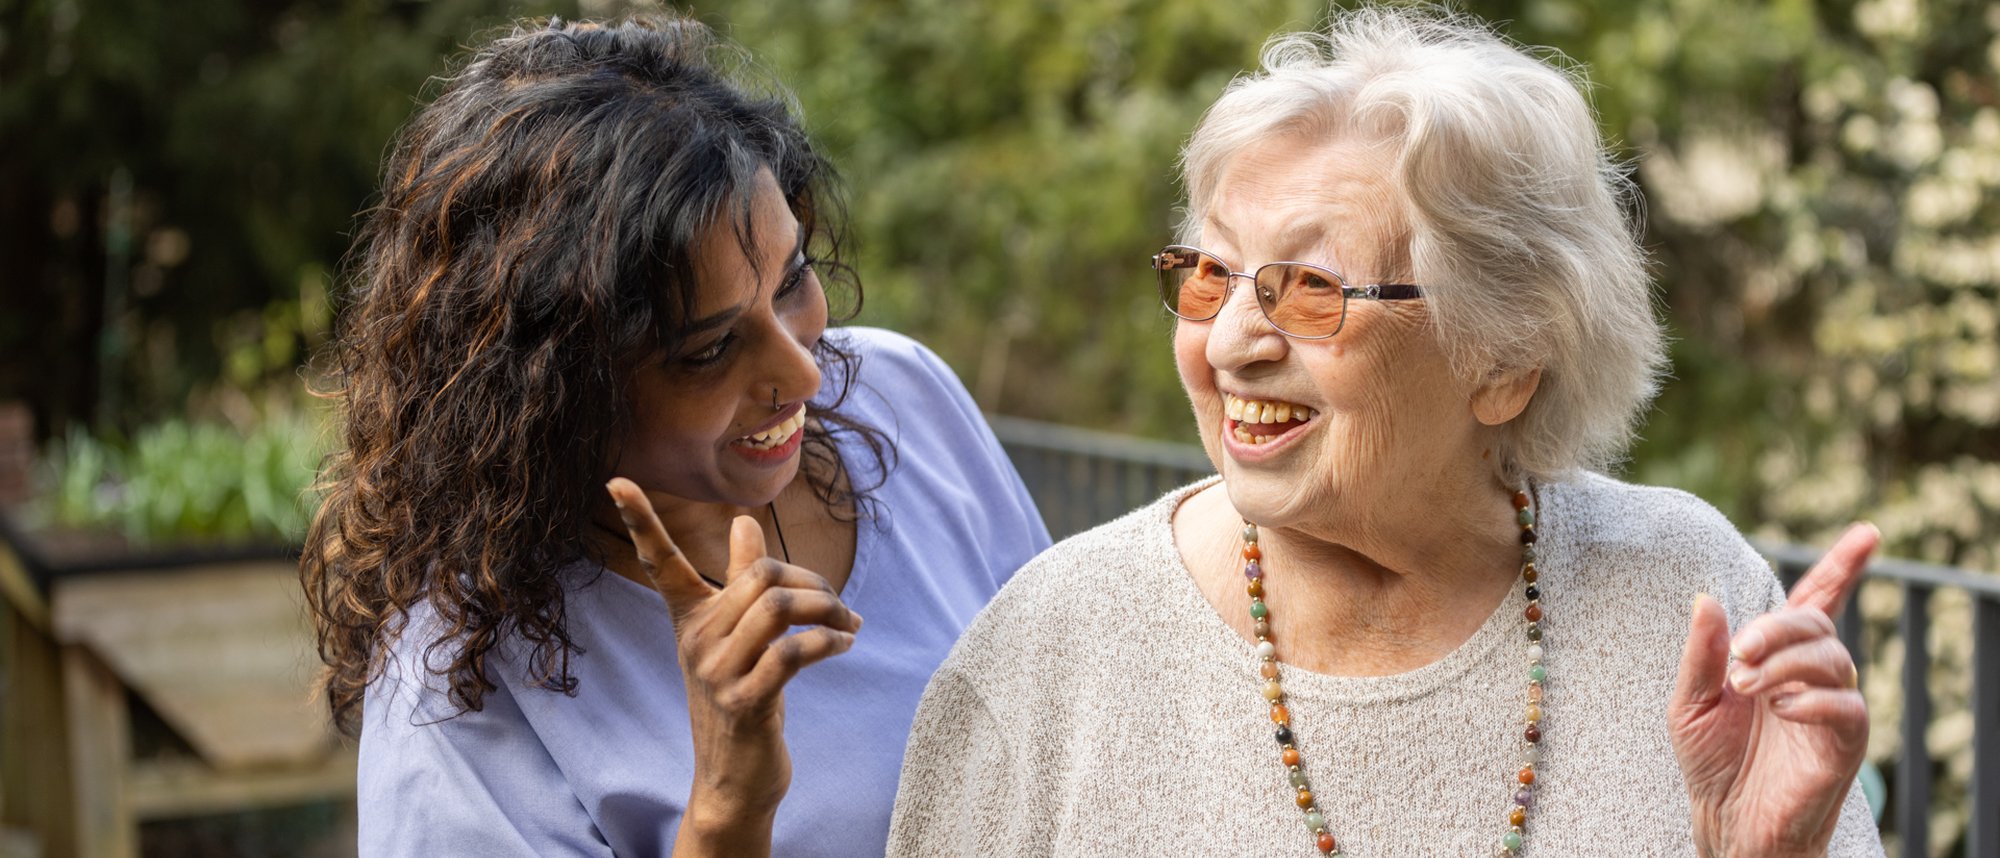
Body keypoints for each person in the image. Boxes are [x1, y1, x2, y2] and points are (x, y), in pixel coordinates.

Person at [888, 8, 1883, 856]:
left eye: (1311, 289)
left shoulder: (1687, 598)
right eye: (1206, 274)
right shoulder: (1056, 646)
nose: (1229, 342)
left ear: (1503, 361)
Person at [298, 15, 1049, 857]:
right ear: (558, 395)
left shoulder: (902, 396)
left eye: (793, 278)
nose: (804, 375)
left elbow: (1076, 715)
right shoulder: (459, 679)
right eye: (711, 348)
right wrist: (727, 806)